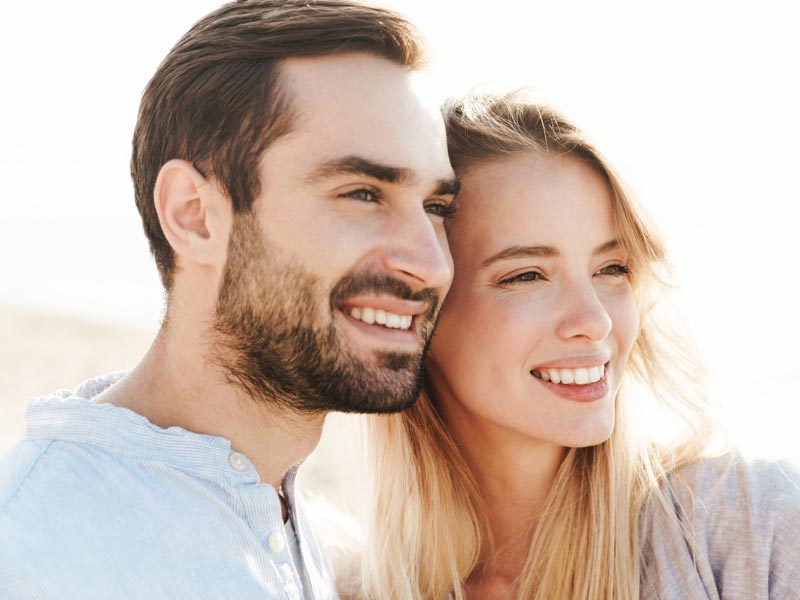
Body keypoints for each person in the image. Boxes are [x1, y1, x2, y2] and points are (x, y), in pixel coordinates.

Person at [0, 1, 457, 598]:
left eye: (437, 208)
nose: (431, 263)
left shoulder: (280, 513)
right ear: (194, 217)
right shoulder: (33, 555)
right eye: (362, 193)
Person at [357, 92, 800, 600]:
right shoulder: (347, 586)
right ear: (423, 311)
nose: (593, 321)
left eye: (612, 269)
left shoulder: (754, 528)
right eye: (526, 275)